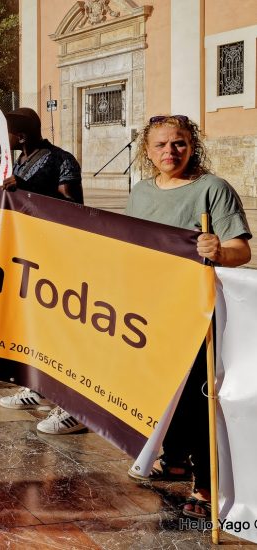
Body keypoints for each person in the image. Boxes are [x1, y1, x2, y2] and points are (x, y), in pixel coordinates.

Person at [124, 114, 251, 519]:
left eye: (179, 143)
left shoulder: (213, 189)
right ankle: (175, 460)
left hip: (197, 313)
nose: (170, 151)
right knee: (165, 391)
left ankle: (207, 484)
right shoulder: (141, 192)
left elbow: (241, 251)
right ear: (147, 151)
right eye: (161, 144)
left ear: (192, 146)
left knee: (198, 398)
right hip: (153, 310)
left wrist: (220, 251)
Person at [0, 108, 86, 436]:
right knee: (32, 323)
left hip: (58, 254)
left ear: (22, 135)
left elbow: (73, 206)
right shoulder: (17, 162)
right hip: (26, 252)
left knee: (58, 328)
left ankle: (69, 402)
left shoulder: (62, 160)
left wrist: (27, 187)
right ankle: (37, 387)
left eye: (5, 133)